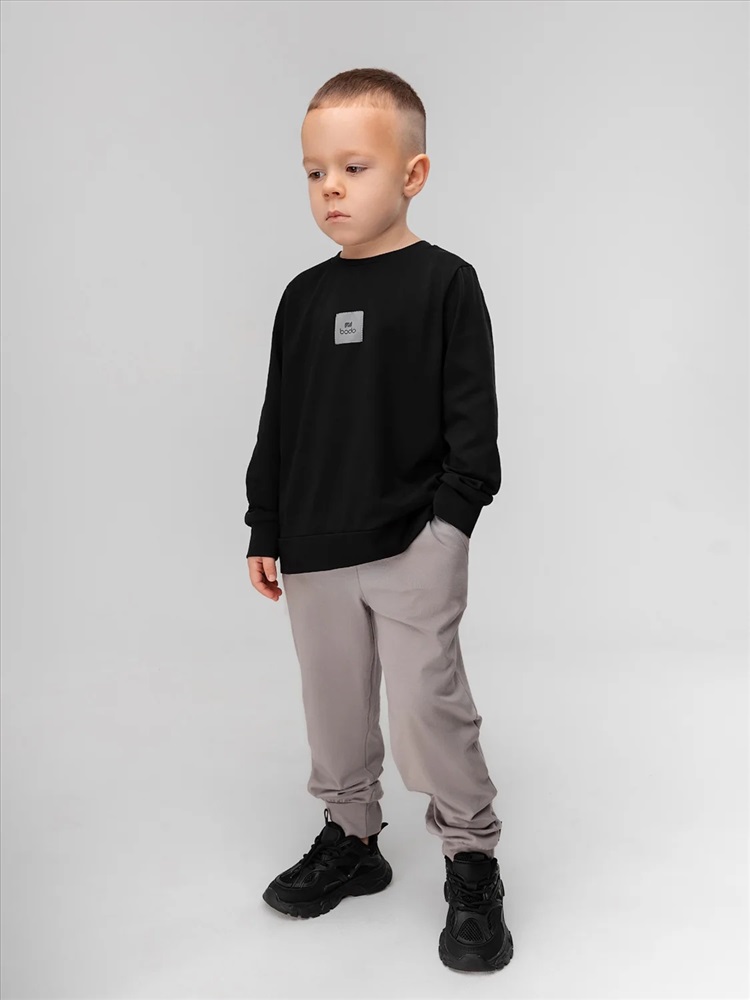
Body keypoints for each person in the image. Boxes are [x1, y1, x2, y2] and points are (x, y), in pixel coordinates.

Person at [243, 67, 513, 974]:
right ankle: (352, 839)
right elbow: (280, 419)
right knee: (334, 708)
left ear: (413, 174)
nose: (331, 188)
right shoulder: (301, 297)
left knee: (430, 708)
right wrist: (266, 524)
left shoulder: (446, 284)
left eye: (353, 168)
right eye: (315, 172)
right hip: (314, 545)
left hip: (411, 542)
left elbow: (473, 425)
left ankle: (471, 861)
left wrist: (449, 524)